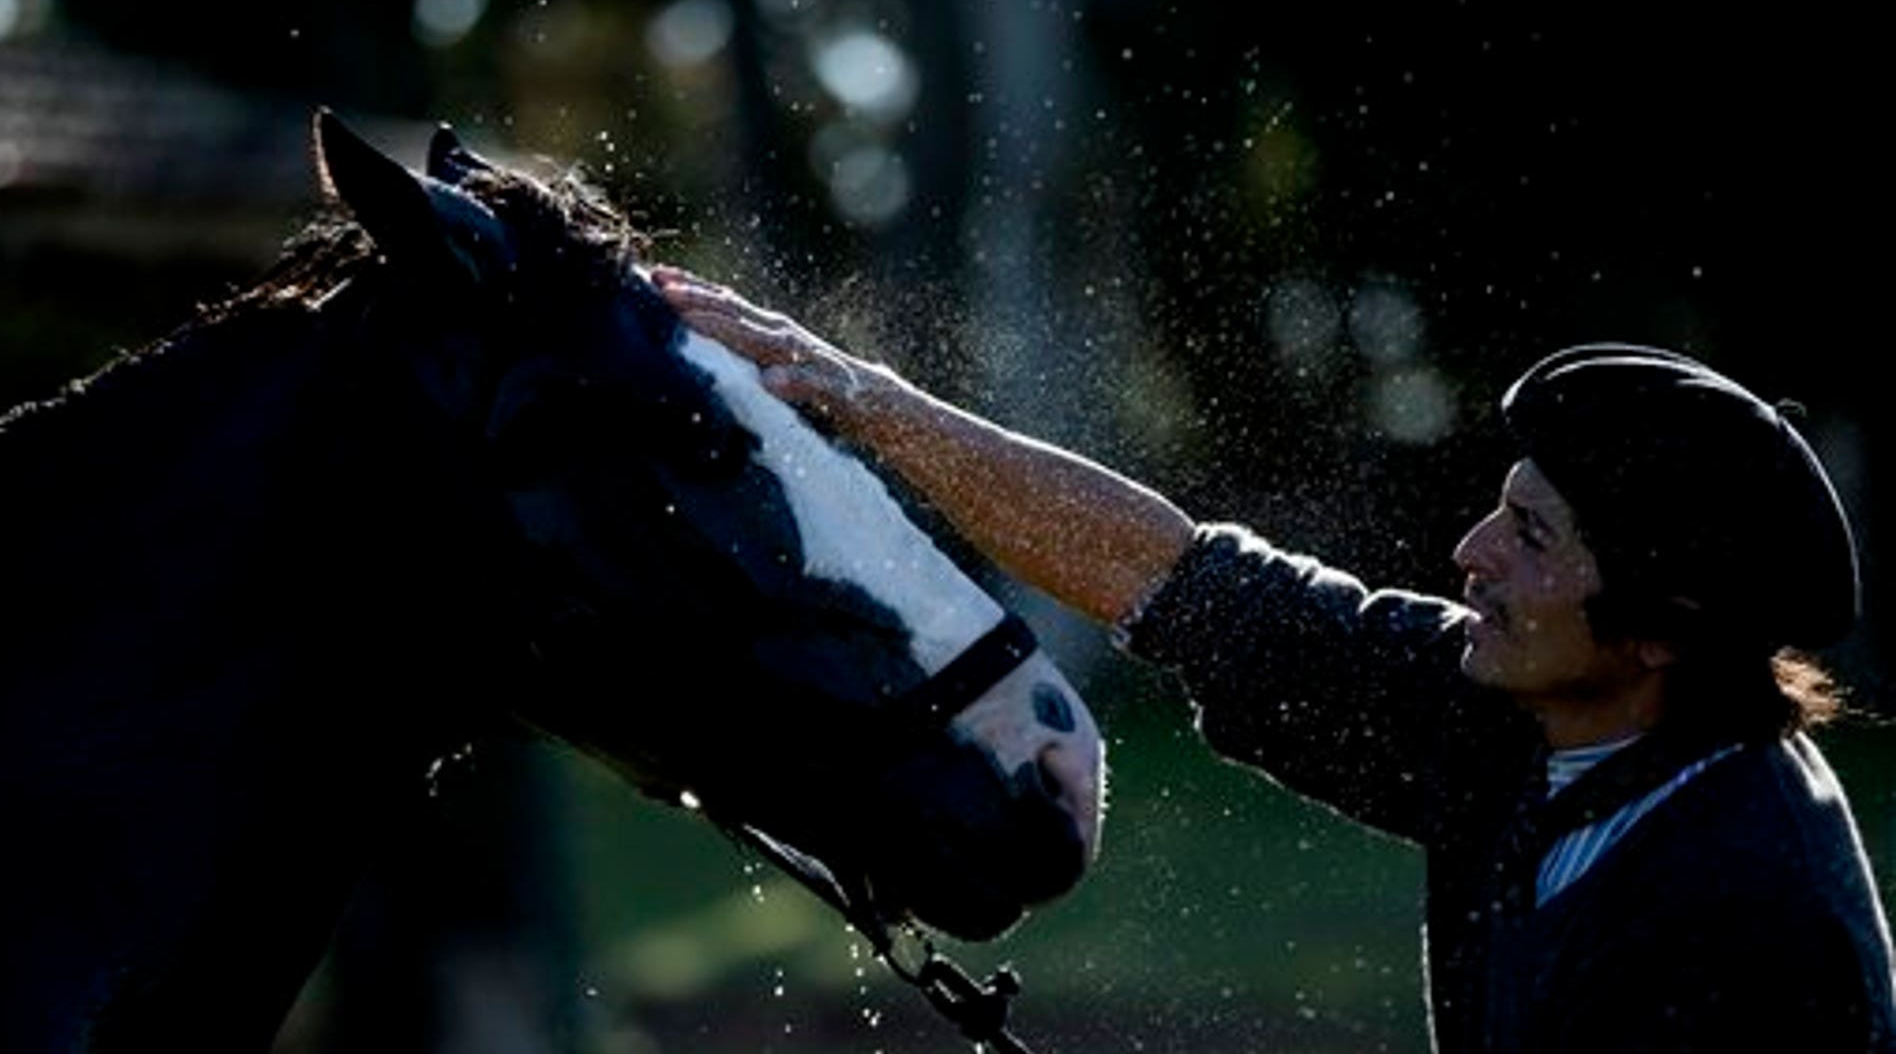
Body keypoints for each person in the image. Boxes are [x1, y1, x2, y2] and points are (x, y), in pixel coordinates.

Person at [649, 265, 1896, 1052]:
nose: (1468, 555)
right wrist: (865, 399)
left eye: (1529, 536)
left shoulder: (1748, 918)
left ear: (1663, 631)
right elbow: (1180, 581)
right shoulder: (1517, 712)